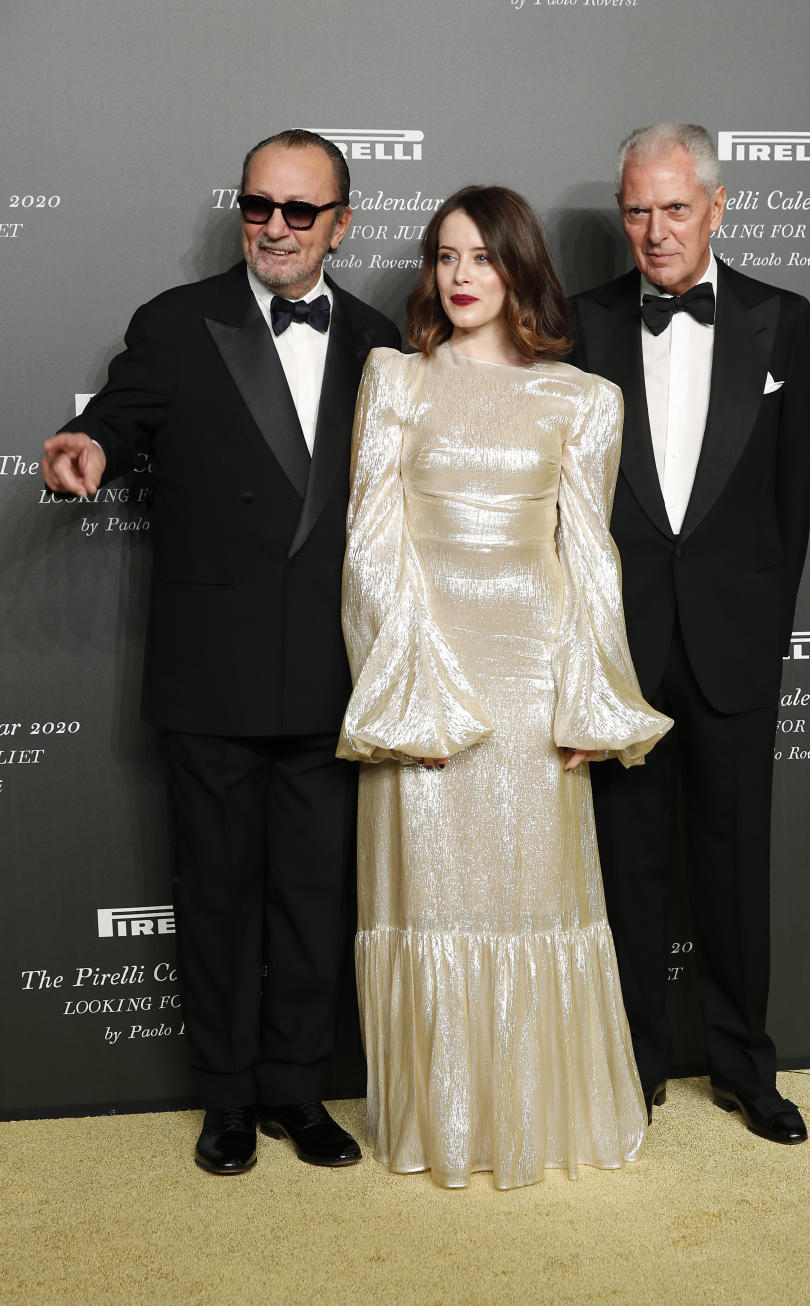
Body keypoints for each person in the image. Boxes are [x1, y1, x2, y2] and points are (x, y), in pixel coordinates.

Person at [41, 129, 400, 1174]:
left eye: (299, 210)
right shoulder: (175, 321)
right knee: (216, 898)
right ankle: (227, 1099)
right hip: (212, 673)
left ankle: (299, 1089)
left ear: (339, 223)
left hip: (333, 674)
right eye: (258, 205)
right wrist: (93, 447)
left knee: (313, 899)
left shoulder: (381, 342)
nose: (274, 227)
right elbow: (121, 411)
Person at [336, 185, 671, 1189]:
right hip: (431, 669)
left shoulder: (582, 398)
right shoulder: (395, 379)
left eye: (483, 256)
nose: (461, 275)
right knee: (433, 897)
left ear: (521, 269)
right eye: (446, 256)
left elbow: (591, 560)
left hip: (531, 678)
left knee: (536, 898)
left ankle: (541, 1117)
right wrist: (409, 694)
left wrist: (590, 700)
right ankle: (450, 1123)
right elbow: (371, 547)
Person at [570, 124, 810, 1144]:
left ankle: (745, 1066)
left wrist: (761, 633)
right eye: (636, 209)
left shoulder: (780, 318)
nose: (654, 230)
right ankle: (634, 1066)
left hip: (732, 645)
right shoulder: (582, 323)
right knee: (628, 867)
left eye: (675, 207)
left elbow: (789, 502)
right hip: (623, 647)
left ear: (717, 207)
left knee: (734, 865)